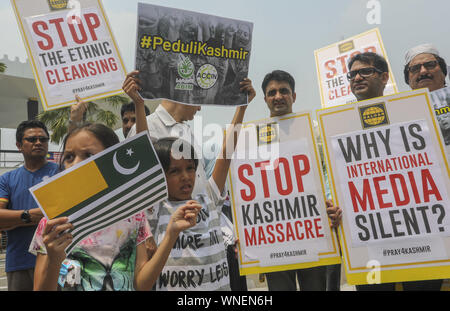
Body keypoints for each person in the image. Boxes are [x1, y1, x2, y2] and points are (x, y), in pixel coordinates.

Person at [29, 122, 202, 291]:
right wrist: (54, 260)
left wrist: (171, 234)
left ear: (112, 160)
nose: (75, 164)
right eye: (69, 157)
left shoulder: (134, 216)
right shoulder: (52, 224)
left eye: (88, 155)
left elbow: (141, 285)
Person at [129, 75, 252, 290]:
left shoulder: (207, 199)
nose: (186, 176)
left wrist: (242, 108)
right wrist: (140, 106)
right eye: (174, 170)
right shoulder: (158, 210)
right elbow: (143, 164)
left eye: (191, 168)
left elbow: (226, 154)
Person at [261, 70, 336, 291]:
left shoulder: (315, 130)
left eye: (284, 91)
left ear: (294, 96)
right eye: (271, 92)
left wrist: (330, 201)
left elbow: (327, 170)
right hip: (274, 233)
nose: (278, 96)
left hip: (313, 229)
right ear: (265, 99)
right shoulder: (254, 136)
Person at [0, 120, 59, 291]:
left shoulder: (60, 172)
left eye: (43, 139)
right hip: (19, 262)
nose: (39, 142)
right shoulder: (7, 179)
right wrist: (30, 216)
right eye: (32, 139)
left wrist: (13, 221)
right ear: (19, 145)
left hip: (57, 261)